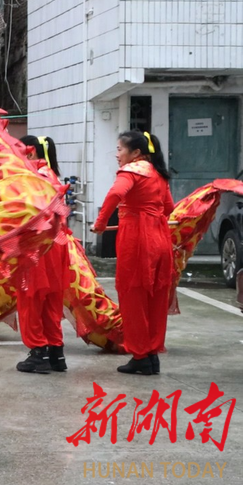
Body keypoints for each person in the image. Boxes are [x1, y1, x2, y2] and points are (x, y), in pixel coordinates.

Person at [92, 131, 174, 376]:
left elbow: (115, 194)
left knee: (133, 296)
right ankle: (151, 355)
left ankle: (140, 355)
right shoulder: (158, 173)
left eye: (120, 149)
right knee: (155, 297)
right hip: (160, 238)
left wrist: (101, 222)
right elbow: (168, 208)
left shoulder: (131, 171)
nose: (117, 154)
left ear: (136, 152)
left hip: (137, 239)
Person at [14, 136, 69, 374]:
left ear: (31, 152)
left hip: (37, 245)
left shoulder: (33, 177)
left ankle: (38, 353)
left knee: (31, 299)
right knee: (51, 301)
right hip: (56, 244)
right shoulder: (51, 175)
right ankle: (56, 353)